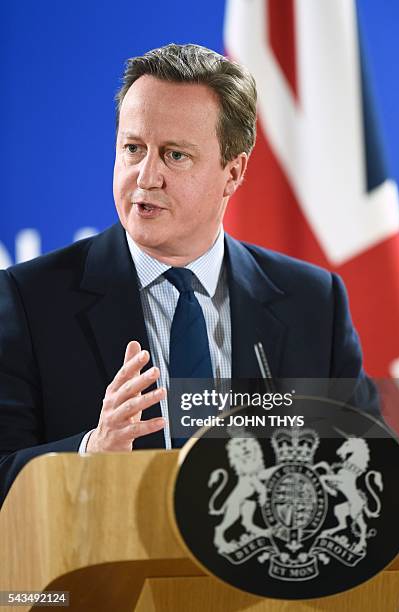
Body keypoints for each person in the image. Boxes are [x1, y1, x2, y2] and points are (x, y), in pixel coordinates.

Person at [0, 43, 378, 505]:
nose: (145, 177)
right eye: (133, 148)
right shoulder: (29, 299)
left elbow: (369, 468)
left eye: (174, 155)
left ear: (233, 173)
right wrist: (90, 452)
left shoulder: (312, 302)